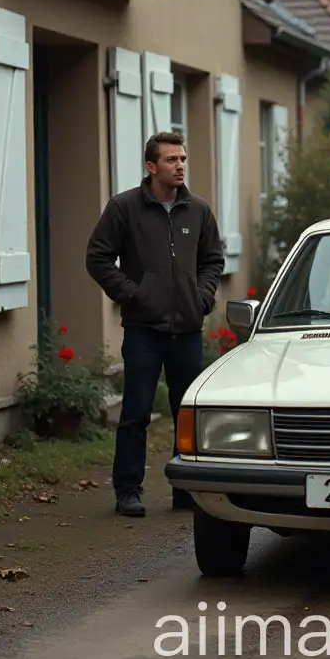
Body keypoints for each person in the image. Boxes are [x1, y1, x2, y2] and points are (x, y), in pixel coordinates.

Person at [86, 131, 225, 517]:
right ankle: (127, 490)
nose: (180, 165)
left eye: (183, 159)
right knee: (136, 412)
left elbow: (213, 259)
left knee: (188, 412)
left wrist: (202, 297)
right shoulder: (123, 208)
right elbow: (98, 258)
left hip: (187, 330)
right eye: (171, 160)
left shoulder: (198, 210)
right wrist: (133, 295)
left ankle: (186, 488)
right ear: (151, 166)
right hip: (143, 330)